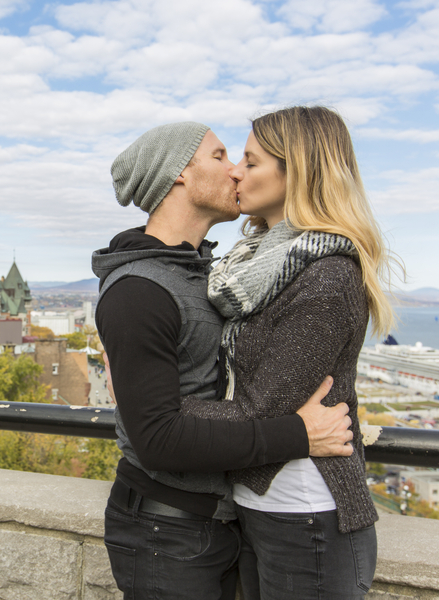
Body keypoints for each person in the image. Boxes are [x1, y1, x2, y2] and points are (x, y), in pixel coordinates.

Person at [92, 122, 357, 600]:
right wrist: (298, 433)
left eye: (243, 160)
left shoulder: (209, 277)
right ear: (178, 175)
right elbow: (155, 437)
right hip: (165, 531)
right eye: (219, 157)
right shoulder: (140, 290)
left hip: (218, 522)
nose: (235, 171)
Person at [184, 106, 394, 599]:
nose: (236, 170)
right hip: (262, 506)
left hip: (307, 513)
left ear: (295, 170)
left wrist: (160, 412)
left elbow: (265, 410)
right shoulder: (257, 265)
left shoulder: (327, 276)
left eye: (251, 162)